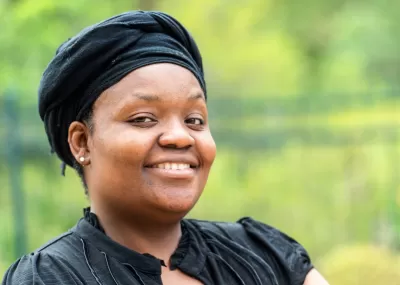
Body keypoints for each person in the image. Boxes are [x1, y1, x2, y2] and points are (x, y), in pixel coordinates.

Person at [1, 11, 329, 285]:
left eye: (195, 120)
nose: (180, 137)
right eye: (144, 119)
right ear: (81, 142)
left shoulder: (263, 255)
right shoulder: (49, 277)